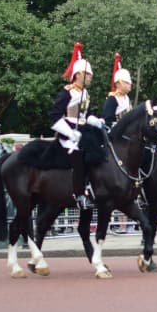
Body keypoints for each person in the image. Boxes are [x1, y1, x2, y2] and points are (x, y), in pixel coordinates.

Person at [49, 42, 105, 210]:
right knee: (79, 160)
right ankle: (79, 195)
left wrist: (95, 120)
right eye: (88, 74)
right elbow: (54, 116)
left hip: (84, 133)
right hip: (68, 136)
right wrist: (70, 132)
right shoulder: (67, 92)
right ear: (78, 74)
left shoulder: (85, 94)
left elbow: (86, 114)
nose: (90, 77)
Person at [103, 53, 132, 128]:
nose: (130, 84)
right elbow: (107, 121)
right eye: (126, 82)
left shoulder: (127, 98)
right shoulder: (112, 99)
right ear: (118, 84)